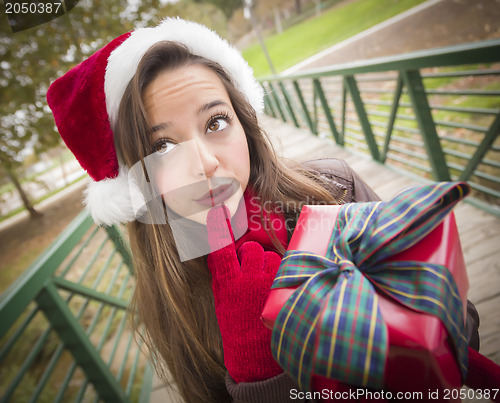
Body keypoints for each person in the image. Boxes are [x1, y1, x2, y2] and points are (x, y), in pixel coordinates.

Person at [47, 18, 486, 403]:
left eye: (215, 122)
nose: (204, 165)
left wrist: (395, 317)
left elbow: (463, 327)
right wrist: (261, 376)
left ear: (244, 122)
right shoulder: (170, 297)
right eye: (163, 146)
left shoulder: (333, 187)